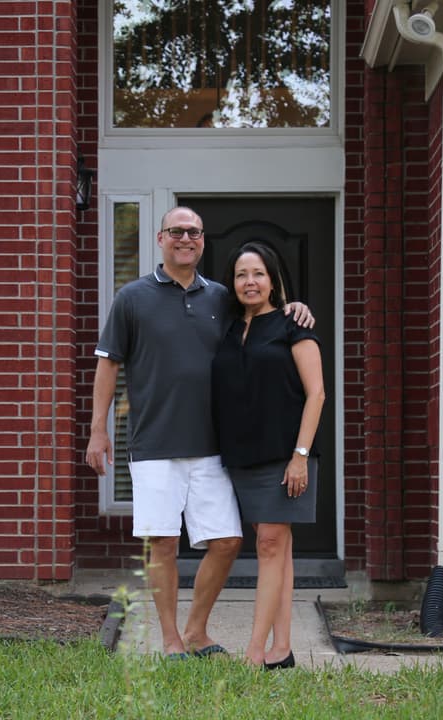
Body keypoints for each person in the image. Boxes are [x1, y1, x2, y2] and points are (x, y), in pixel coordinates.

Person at [85, 207, 313, 659]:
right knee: (163, 543)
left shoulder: (222, 298)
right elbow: (108, 364)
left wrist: (295, 307)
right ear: (161, 238)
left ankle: (196, 631)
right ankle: (171, 639)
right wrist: (97, 430)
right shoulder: (132, 298)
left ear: (203, 241)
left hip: (213, 447)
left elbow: (262, 314)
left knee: (227, 542)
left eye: (193, 232)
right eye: (176, 231)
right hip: (154, 444)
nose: (185, 238)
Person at [211, 241, 325, 670]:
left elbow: (317, 394)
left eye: (258, 273)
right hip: (242, 456)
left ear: (273, 280)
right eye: (242, 274)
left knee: (270, 544)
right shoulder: (226, 327)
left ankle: (255, 653)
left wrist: (300, 455)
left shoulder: (294, 325)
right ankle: (282, 649)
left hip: (285, 455)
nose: (250, 282)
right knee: (278, 549)